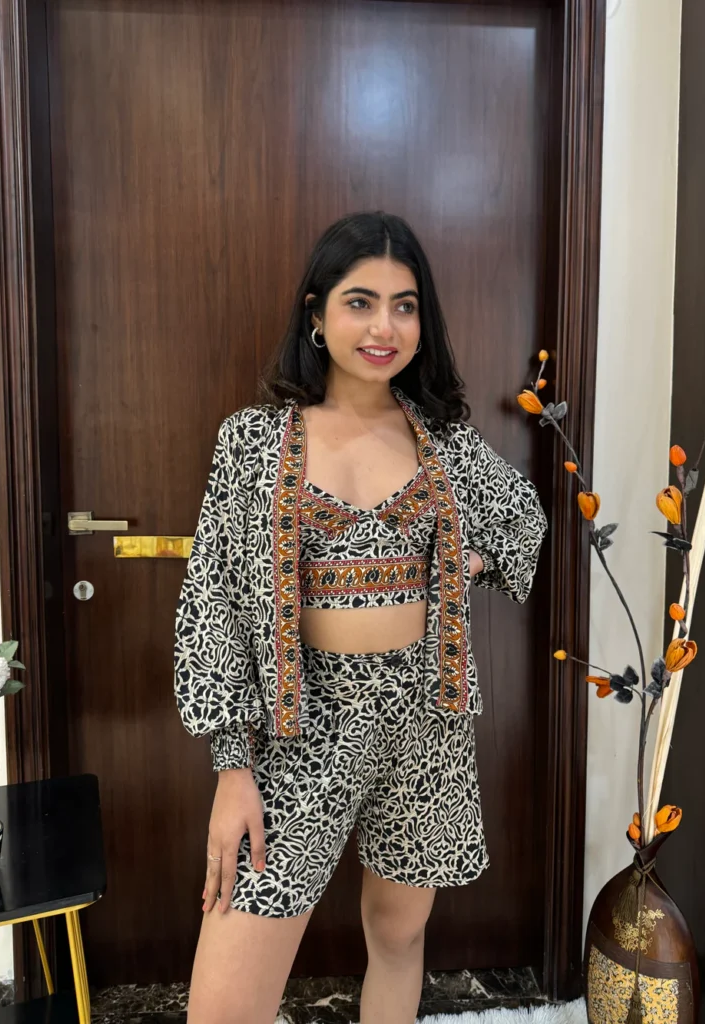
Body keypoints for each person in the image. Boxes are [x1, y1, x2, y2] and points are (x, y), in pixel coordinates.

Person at [174, 211, 548, 1024]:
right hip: (301, 730)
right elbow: (213, 603)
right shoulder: (253, 443)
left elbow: (523, 522)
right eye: (360, 302)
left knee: (398, 936)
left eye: (405, 306)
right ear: (316, 312)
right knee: (225, 1004)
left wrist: (468, 565)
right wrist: (231, 768)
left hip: (426, 722)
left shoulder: (444, 442)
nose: (385, 327)